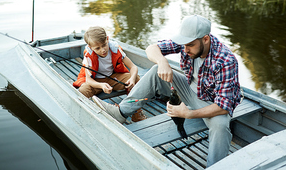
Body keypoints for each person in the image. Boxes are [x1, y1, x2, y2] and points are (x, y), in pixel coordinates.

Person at [94, 15, 241, 167]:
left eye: (189, 45)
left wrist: (188, 114)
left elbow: (224, 106)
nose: (184, 49)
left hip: (213, 103)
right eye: (183, 44)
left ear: (205, 39)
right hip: (191, 90)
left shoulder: (225, 60)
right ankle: (121, 113)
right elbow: (151, 48)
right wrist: (162, 61)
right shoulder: (188, 43)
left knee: (221, 126)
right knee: (156, 70)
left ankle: (215, 166)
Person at [73, 26, 146, 122]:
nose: (102, 50)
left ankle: (136, 112)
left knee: (136, 78)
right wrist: (101, 85)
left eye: (104, 45)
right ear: (90, 47)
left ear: (107, 39)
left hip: (113, 77)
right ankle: (89, 114)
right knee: (82, 91)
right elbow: (89, 80)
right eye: (97, 48)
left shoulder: (115, 49)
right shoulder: (89, 57)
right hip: (96, 82)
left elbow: (133, 67)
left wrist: (132, 79)